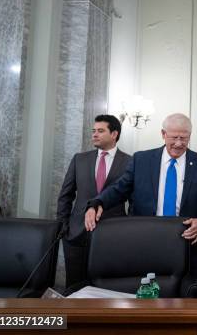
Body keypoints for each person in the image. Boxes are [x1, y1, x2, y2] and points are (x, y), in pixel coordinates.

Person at [84, 113, 197, 286]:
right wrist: (98, 203)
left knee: (186, 301)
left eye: (184, 138)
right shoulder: (142, 159)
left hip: (186, 244)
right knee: (142, 296)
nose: (179, 143)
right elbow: (119, 188)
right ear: (163, 134)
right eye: (174, 137)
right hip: (145, 241)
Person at [56, 114, 131, 288]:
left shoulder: (130, 162)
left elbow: (133, 199)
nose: (94, 135)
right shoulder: (79, 159)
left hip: (113, 234)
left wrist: (128, 229)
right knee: (74, 287)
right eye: (93, 131)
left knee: (106, 287)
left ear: (114, 134)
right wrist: (64, 226)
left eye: (100, 131)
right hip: (76, 234)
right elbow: (65, 195)